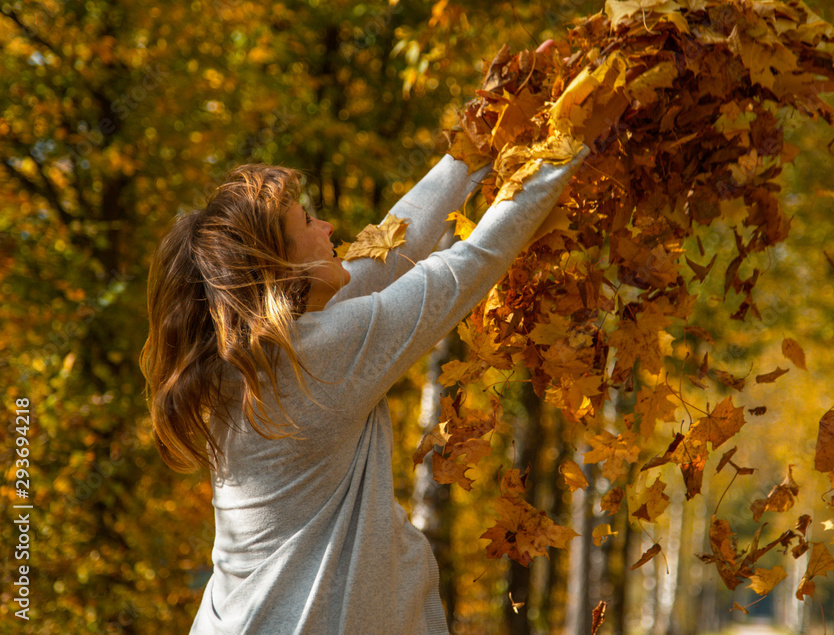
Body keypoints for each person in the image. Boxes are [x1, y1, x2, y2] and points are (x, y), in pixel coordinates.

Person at [140, 43, 594, 634]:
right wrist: (570, 139)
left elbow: (390, 248)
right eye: (308, 223)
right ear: (282, 269)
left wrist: (472, 148)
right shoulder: (316, 356)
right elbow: (470, 263)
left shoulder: (259, 358)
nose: (328, 228)